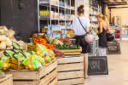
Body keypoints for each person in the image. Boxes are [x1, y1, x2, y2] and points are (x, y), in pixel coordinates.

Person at [72, 5, 90, 79]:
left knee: (78, 56)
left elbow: (73, 31)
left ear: (77, 12)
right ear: (83, 12)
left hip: (78, 39)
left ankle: (79, 74)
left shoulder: (75, 20)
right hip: (84, 39)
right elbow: (87, 30)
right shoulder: (86, 19)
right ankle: (85, 75)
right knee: (85, 56)